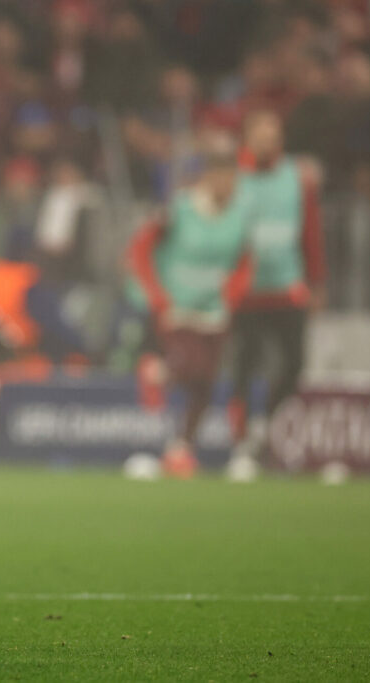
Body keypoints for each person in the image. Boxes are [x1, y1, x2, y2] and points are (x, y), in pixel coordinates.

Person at [125, 133, 254, 477]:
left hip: (214, 310)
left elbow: (244, 260)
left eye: (233, 177)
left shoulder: (239, 216)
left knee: (206, 384)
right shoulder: (180, 209)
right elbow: (141, 249)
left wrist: (232, 293)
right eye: (221, 175)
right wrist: (156, 294)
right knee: (192, 366)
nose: (227, 184)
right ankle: (158, 373)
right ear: (208, 177)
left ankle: (181, 448)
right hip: (176, 307)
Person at [230, 109, 325, 460]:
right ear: (248, 139)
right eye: (260, 136)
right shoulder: (235, 178)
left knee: (294, 364)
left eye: (273, 136)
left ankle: (264, 422)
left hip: (288, 287)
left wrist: (317, 282)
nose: (267, 142)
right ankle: (242, 437)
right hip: (247, 291)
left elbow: (311, 233)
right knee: (244, 364)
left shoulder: (298, 178)